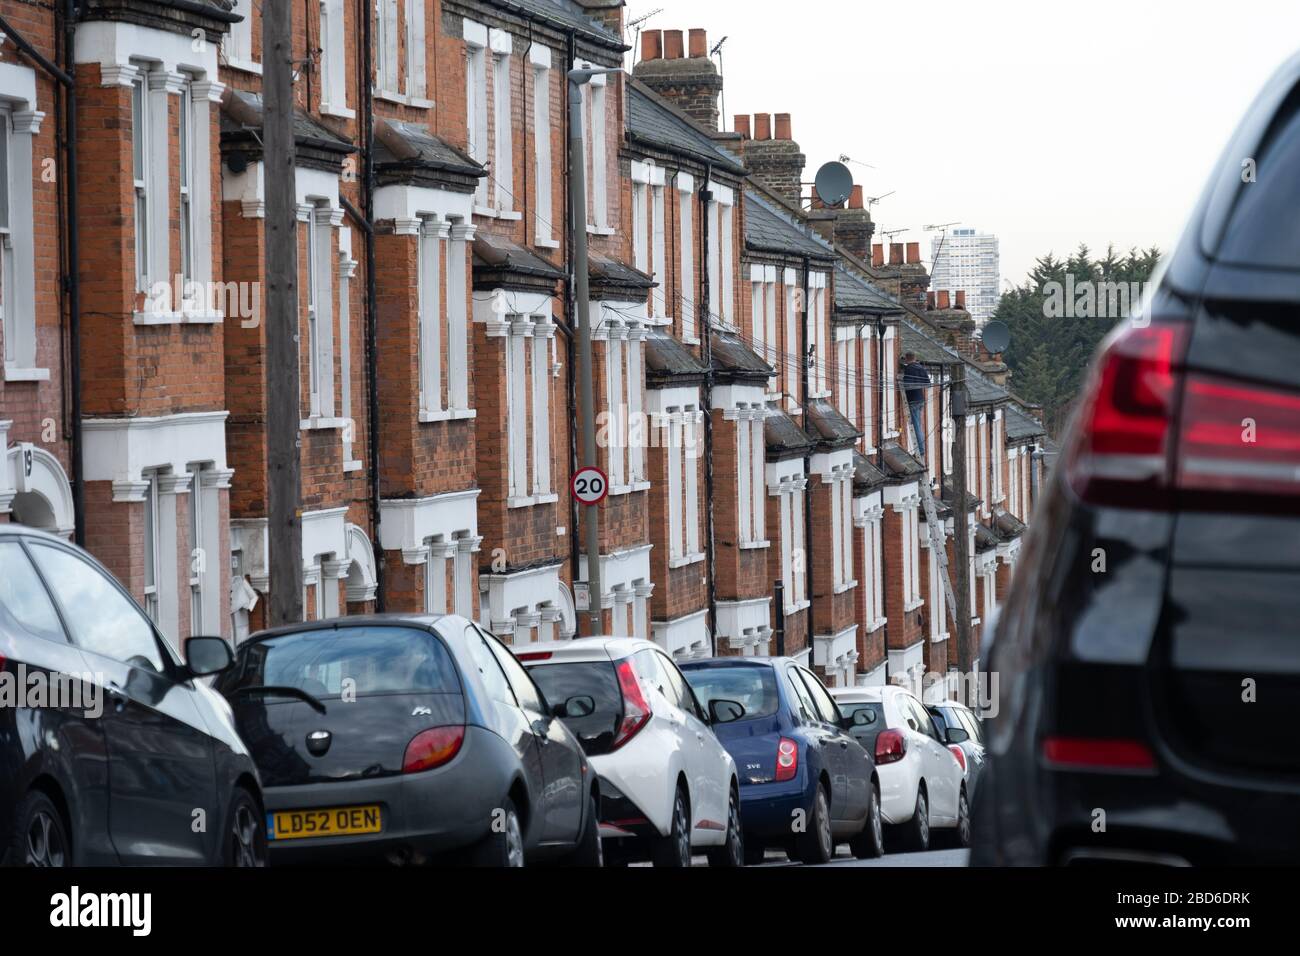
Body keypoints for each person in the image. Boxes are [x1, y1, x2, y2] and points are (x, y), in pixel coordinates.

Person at [900, 352, 930, 457]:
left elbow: (907, 385)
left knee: (916, 425)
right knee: (919, 424)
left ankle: (921, 450)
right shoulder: (920, 368)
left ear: (907, 359)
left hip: (913, 400)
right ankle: (921, 449)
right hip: (921, 399)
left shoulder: (909, 369)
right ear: (915, 358)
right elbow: (928, 383)